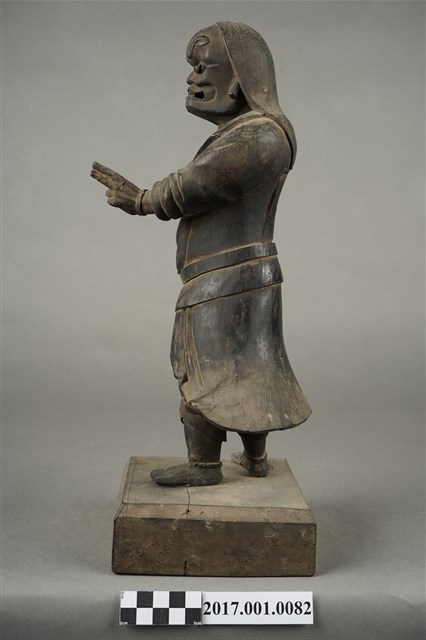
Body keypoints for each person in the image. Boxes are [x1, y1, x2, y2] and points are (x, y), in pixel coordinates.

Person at [91, 21, 311, 487]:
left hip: (226, 280)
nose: (192, 78)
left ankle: (205, 466)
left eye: (202, 67)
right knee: (248, 369)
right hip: (237, 277)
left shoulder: (261, 136)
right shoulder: (253, 133)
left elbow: (202, 182)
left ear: (239, 79)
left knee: (209, 372)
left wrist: (143, 199)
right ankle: (254, 459)